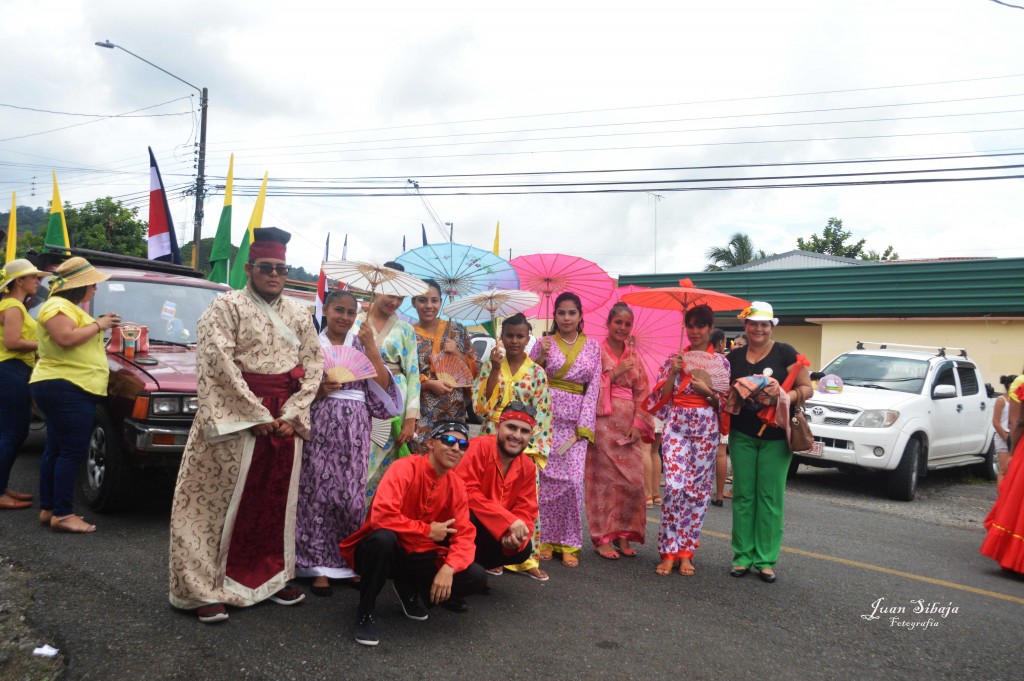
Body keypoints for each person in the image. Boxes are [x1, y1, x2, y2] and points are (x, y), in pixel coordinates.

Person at [168, 227, 324, 623]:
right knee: (213, 505)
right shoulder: (225, 307)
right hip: (237, 417)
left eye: (282, 269)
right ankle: (203, 588)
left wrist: (292, 414)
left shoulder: (299, 313)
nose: (275, 274)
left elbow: (314, 364)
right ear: (250, 268)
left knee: (271, 504)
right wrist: (253, 415)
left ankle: (269, 578)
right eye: (267, 267)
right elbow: (216, 362)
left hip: (283, 418)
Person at [340, 422, 488, 647]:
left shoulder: (456, 485)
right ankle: (365, 610)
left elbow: (465, 534)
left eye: (463, 444)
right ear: (430, 443)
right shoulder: (404, 467)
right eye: (449, 441)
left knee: (475, 576)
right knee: (383, 539)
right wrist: (428, 530)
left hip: (419, 555)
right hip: (385, 551)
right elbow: (382, 515)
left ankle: (408, 585)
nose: (456, 448)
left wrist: (449, 567)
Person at [295, 289, 402, 597]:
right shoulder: (313, 345)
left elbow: (381, 391)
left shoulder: (360, 344)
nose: (344, 317)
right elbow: (297, 390)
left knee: (350, 497)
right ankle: (318, 567)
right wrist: (321, 390)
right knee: (316, 494)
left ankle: (349, 561)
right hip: (320, 425)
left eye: (350, 312)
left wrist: (371, 348)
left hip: (355, 429)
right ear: (326, 310)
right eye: (338, 310)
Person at [29, 257, 120, 533]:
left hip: (64, 384)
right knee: (71, 451)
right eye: (93, 285)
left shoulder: (64, 306)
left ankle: (50, 509)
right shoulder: (58, 305)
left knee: (57, 449)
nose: (95, 290)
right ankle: (63, 513)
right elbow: (66, 338)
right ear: (81, 286)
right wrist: (99, 325)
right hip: (67, 386)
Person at [725, 301, 812, 583]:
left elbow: (807, 388)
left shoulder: (785, 352)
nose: (758, 328)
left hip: (776, 436)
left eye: (764, 324)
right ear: (745, 326)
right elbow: (724, 391)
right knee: (743, 495)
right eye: (753, 323)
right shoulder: (734, 357)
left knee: (770, 498)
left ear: (772, 326)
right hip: (742, 435)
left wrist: (783, 397)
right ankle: (742, 556)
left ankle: (764, 560)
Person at [645, 304, 729, 576]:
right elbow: (660, 399)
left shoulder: (722, 363)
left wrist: (707, 391)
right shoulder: (674, 359)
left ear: (709, 328)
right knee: (674, 487)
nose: (695, 331)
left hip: (706, 428)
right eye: (690, 326)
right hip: (677, 427)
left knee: (696, 491)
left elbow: (725, 403)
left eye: (700, 326)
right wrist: (674, 372)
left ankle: (686, 552)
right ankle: (668, 550)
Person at [472, 313, 552, 580]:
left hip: (523, 445)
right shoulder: (489, 365)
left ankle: (527, 557)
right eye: (509, 335)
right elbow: (480, 406)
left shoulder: (538, 373)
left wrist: (531, 449)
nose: (514, 340)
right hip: (492, 436)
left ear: (529, 337)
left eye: (520, 336)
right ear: (502, 337)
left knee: (525, 501)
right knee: (489, 496)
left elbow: (543, 413)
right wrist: (495, 369)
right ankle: (492, 554)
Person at [531, 292, 601, 568]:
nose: (567, 318)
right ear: (555, 316)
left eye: (572, 313)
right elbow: (530, 376)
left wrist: (585, 425)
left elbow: (593, 386)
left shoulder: (593, 347)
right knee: (546, 482)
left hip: (575, 425)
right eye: (561, 313)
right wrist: (541, 360)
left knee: (573, 483)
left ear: (581, 315)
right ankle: (545, 538)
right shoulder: (542, 343)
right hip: (545, 419)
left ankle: (570, 542)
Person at [585, 302, 652, 559]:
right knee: (603, 482)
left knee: (632, 482)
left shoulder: (635, 356)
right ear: (608, 323)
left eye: (627, 324)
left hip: (628, 424)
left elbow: (642, 392)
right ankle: (603, 537)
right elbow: (588, 386)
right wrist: (612, 375)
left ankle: (625, 534)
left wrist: (639, 424)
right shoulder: (596, 351)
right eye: (618, 323)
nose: (622, 328)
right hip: (602, 424)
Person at [354, 261, 420, 498]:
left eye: (400, 298)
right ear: (377, 287)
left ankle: (379, 523)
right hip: (359, 395)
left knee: (387, 464)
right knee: (357, 457)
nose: (394, 302)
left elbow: (414, 375)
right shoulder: (354, 322)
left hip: (394, 401)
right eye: (391, 294)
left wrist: (411, 419)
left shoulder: (406, 329)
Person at [455, 403, 539, 572]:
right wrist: (507, 521)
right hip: (463, 524)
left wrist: (513, 537)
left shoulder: (528, 467)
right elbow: (464, 492)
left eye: (524, 431)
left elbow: (526, 509)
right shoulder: (478, 447)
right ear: (498, 426)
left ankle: (472, 569)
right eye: (511, 427)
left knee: (524, 547)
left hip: (492, 530)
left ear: (531, 435)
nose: (517, 435)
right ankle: (457, 568)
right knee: (466, 517)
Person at [411, 279, 478, 451]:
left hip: (454, 412)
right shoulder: (407, 334)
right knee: (422, 463)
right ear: (413, 302)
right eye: (422, 300)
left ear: (441, 302)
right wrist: (428, 384)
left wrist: (457, 353)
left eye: (434, 300)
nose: (429, 305)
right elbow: (403, 376)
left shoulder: (457, 330)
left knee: (451, 459)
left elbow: (476, 369)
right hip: (422, 412)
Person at [0, 259, 45, 510]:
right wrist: (45, 344)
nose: (38, 282)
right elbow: (13, 342)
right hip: (12, 370)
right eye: (34, 278)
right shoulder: (14, 307)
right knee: (13, 433)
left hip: (11, 370)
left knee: (10, 432)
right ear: (19, 281)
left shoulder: (11, 305)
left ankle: (3, 486)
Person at [980, 372, 1024, 573]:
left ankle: (1013, 556)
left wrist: (1014, 451)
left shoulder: (1021, 383)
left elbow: (1018, 423)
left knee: (1016, 500)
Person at [710, 328, 732, 507]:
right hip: (722, 408)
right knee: (721, 452)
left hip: (705, 408)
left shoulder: (699, 359)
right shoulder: (723, 361)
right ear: (720, 343)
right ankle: (719, 495)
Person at [993, 375, 1016, 486]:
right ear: (1009, 385)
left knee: (1013, 469)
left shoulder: (1017, 401)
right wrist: (1005, 437)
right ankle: (1001, 496)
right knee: (1004, 469)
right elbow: (996, 422)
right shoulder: (1001, 400)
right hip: (1003, 436)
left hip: (1015, 437)